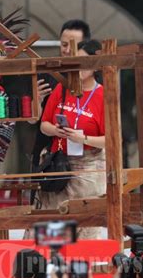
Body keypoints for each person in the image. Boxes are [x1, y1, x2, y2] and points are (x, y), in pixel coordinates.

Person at [40, 39, 106, 239]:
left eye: (85, 61)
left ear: (96, 65)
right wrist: (56, 130)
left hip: (88, 166)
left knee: (85, 227)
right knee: (55, 227)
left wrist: (83, 137)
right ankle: (53, 265)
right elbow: (44, 125)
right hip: (59, 164)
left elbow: (110, 139)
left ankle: (84, 265)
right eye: (77, 60)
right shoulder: (61, 89)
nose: (80, 66)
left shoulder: (104, 95)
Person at [31, 19, 91, 191]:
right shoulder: (47, 74)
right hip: (50, 158)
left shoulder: (97, 80)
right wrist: (37, 101)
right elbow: (34, 121)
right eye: (63, 44)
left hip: (85, 159)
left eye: (72, 45)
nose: (66, 50)